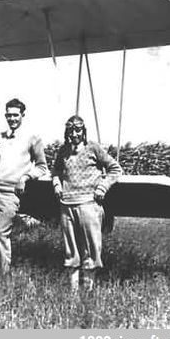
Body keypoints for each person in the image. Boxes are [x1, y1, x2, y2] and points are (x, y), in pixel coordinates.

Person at [51, 115, 122, 291]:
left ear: (83, 131)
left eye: (78, 130)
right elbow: (56, 170)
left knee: (91, 249)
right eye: (71, 131)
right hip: (67, 204)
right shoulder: (63, 151)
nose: (74, 134)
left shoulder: (93, 148)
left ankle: (88, 291)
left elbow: (115, 168)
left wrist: (102, 188)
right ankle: (73, 293)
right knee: (71, 250)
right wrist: (57, 184)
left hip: (89, 204)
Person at [0, 98, 48, 273]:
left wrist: (25, 177)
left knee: (1, 232)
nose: (12, 118)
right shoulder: (0, 138)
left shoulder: (33, 138)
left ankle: (3, 273)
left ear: (22, 115)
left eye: (16, 115)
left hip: (10, 193)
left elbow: (42, 167)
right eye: (9, 115)